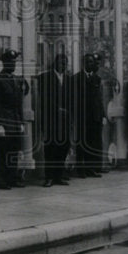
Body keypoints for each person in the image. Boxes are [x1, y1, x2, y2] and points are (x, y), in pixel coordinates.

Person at [0, 49, 28, 189]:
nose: (13, 65)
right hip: (3, 122)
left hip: (15, 121)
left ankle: (12, 178)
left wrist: (21, 122)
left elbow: (19, 103)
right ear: (4, 63)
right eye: (10, 62)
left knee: (13, 151)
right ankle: (1, 180)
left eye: (14, 62)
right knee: (1, 152)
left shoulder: (16, 80)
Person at [36, 52, 72, 187]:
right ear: (55, 63)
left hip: (65, 120)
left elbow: (72, 98)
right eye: (61, 63)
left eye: (65, 63)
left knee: (63, 147)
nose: (63, 66)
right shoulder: (45, 77)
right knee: (51, 148)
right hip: (51, 120)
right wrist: (57, 109)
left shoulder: (68, 79)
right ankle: (49, 177)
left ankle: (59, 176)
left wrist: (69, 112)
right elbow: (44, 98)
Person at [72, 52, 106, 178]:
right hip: (82, 117)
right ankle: (81, 169)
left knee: (94, 143)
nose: (89, 64)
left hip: (95, 116)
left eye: (91, 62)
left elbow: (99, 98)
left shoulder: (97, 79)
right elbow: (73, 99)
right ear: (83, 63)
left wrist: (102, 115)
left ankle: (92, 168)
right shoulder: (76, 78)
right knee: (82, 143)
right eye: (87, 62)